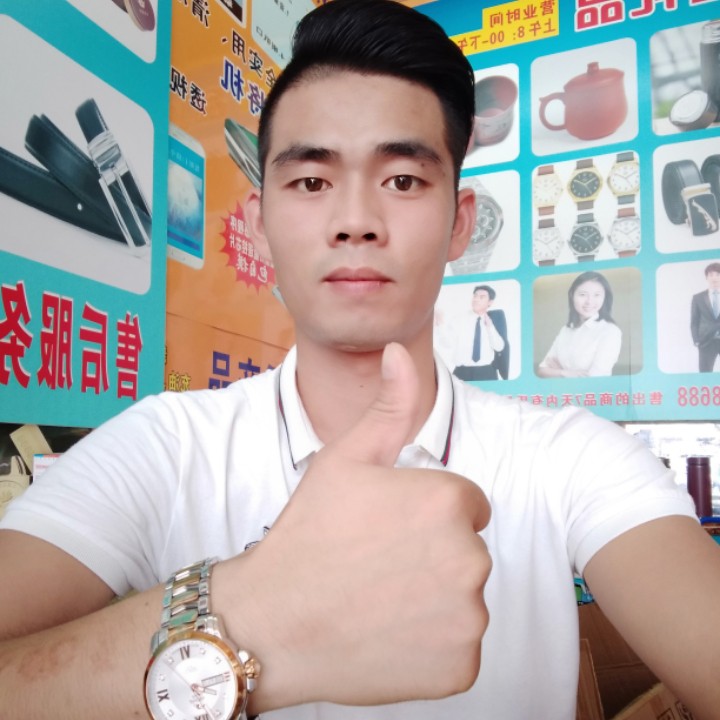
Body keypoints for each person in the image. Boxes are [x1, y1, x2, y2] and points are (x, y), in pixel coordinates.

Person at [0, 2, 719, 719]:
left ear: (460, 223)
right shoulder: (163, 445)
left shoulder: (570, 459)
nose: (355, 221)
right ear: (258, 221)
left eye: (403, 180)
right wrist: (252, 620)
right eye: (311, 182)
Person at [537, 271, 622, 378]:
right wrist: (565, 373)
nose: (589, 302)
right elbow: (542, 370)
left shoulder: (610, 331)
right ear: (572, 295)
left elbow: (594, 379)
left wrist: (558, 371)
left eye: (597, 295)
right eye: (582, 295)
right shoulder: (566, 330)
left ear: (605, 298)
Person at [441, 285, 509, 381]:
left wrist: (490, 327)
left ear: (490, 302)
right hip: (462, 372)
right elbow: (447, 344)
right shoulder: (459, 319)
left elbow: (499, 347)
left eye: (481, 297)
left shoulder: (494, 320)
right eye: (475, 296)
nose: (476, 299)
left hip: (487, 372)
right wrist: (439, 326)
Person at [690, 261, 720, 373]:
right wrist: (696, 339)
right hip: (706, 341)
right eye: (711, 275)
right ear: (706, 277)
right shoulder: (698, 298)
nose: (714, 278)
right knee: (705, 373)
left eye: (718, 274)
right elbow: (694, 321)